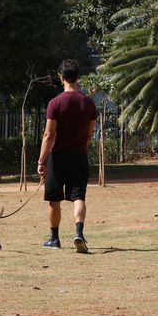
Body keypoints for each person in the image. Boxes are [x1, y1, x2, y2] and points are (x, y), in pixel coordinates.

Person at [37, 59, 97, 253]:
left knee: (54, 199)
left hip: (58, 156)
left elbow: (48, 134)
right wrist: (81, 146)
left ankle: (54, 239)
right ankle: (79, 233)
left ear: (61, 77)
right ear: (78, 77)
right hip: (79, 155)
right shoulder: (88, 103)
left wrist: (41, 161)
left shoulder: (55, 103)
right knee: (78, 196)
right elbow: (89, 135)